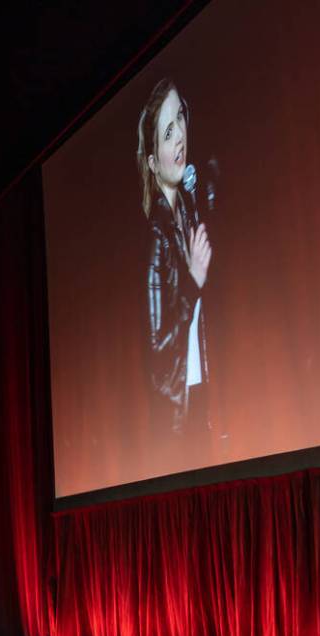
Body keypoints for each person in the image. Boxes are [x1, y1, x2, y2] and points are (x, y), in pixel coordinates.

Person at [137, 77, 213, 436]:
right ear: (152, 163)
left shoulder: (189, 208)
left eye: (180, 118)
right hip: (177, 419)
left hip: (203, 391)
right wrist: (194, 284)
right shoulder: (156, 239)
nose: (180, 135)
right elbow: (157, 351)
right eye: (168, 133)